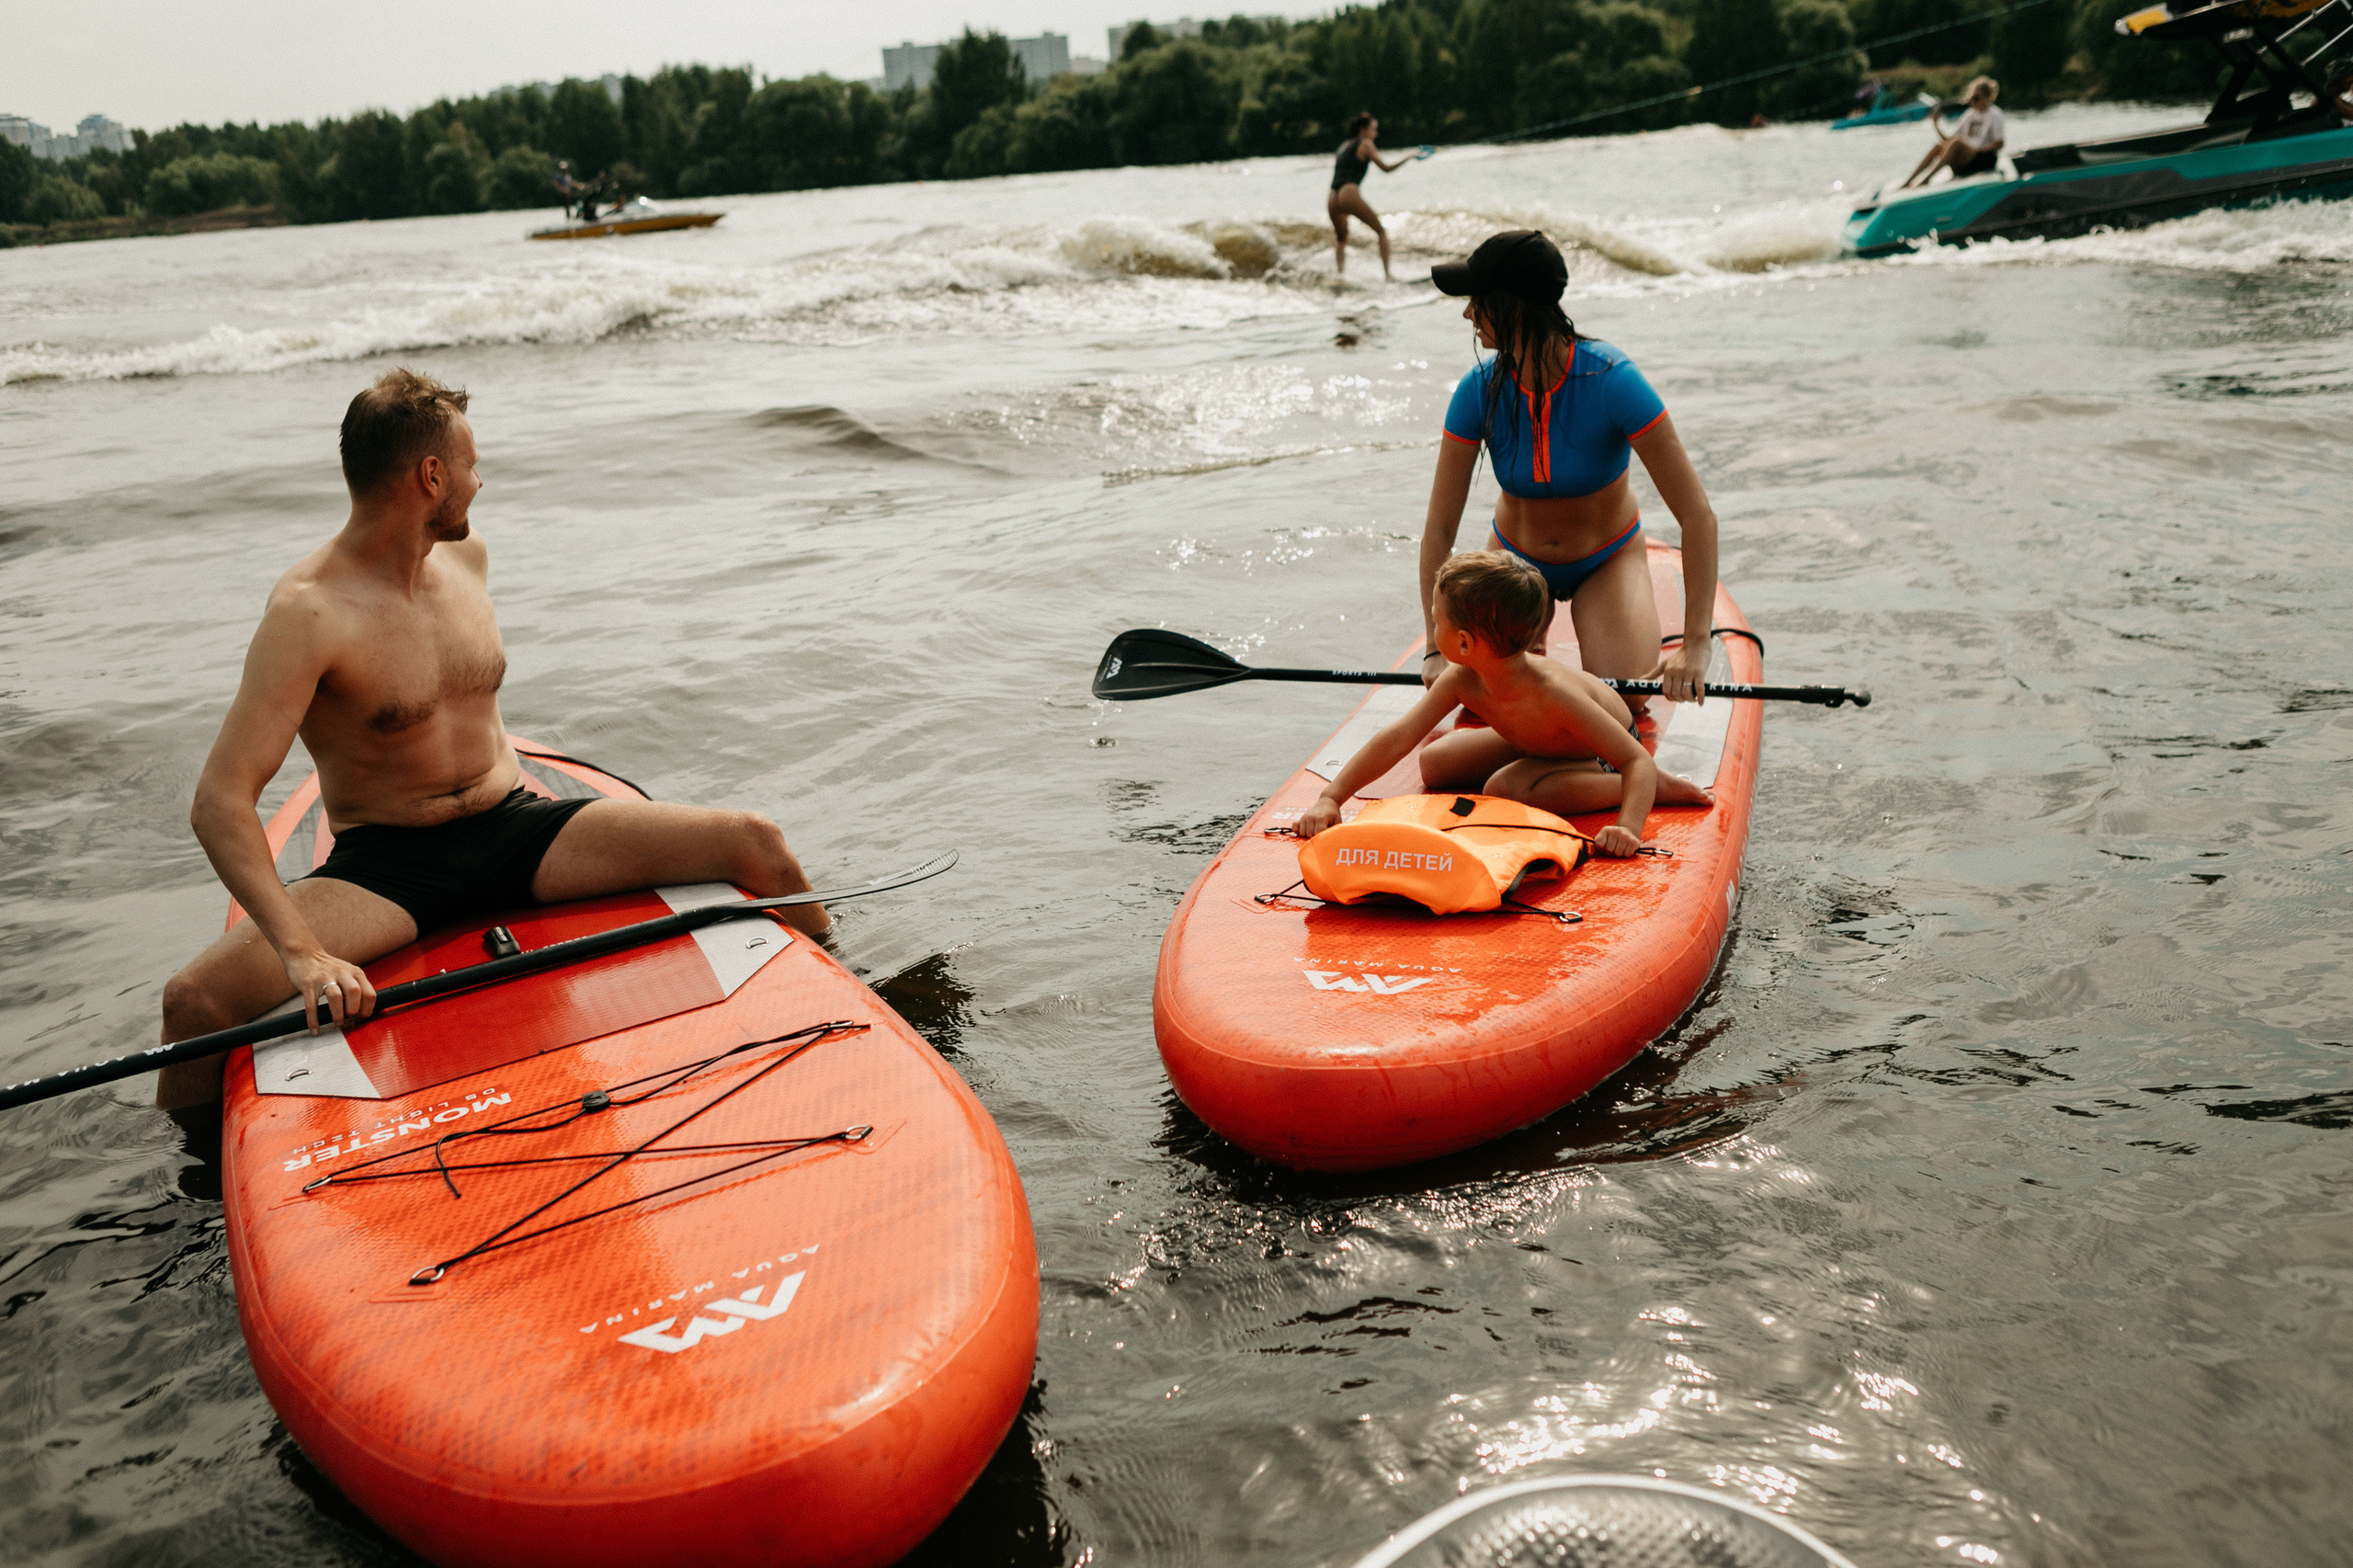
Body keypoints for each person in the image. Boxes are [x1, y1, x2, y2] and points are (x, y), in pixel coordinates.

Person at [153, 369, 829, 1109]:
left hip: (517, 828)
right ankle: (197, 1198)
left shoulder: (468, 561)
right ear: (431, 475)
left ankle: (852, 1002)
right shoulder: (309, 613)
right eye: (473, 465)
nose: (482, 482)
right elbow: (219, 802)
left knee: (755, 842)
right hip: (388, 868)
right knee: (193, 1001)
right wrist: (302, 953)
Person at [1419, 229, 1721, 718]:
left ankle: (1547, 660)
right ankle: (1526, 648)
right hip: (1512, 565)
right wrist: (1435, 651)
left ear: (1514, 306)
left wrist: (1695, 645)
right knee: (1481, 700)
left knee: (1623, 698)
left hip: (1605, 558)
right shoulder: (1476, 391)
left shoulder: (1611, 381)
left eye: (1478, 300)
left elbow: (1698, 517)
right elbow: (1440, 530)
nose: (1468, 313)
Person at [1294, 551, 1711, 853]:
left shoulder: (1553, 694)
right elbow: (1399, 738)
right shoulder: (1465, 676)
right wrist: (1332, 798)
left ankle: (1656, 788)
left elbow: (1634, 757)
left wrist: (1629, 827)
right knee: (1436, 762)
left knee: (1507, 789)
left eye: (1437, 620)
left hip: (1599, 753)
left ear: (1463, 642)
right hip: (1534, 740)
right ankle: (1617, 780)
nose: (1431, 628)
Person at [1329, 111, 1411, 282]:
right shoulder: (1366, 144)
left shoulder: (1344, 146)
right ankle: (1388, 276)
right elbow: (1386, 168)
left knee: (1341, 239)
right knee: (1380, 231)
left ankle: (1339, 277)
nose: (1375, 133)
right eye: (1373, 129)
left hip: (1332, 197)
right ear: (1362, 130)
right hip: (1348, 193)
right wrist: (1409, 156)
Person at [1902, 76, 2005, 187]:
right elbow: (1948, 139)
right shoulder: (1970, 114)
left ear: (1987, 98)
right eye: (1971, 99)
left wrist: (1981, 149)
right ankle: (1909, 181)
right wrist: (1936, 125)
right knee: (1939, 146)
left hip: (1983, 159)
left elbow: (2000, 143)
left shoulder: (1995, 114)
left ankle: (1927, 179)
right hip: (1967, 159)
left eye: (1976, 98)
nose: (1972, 102)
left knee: (1956, 143)